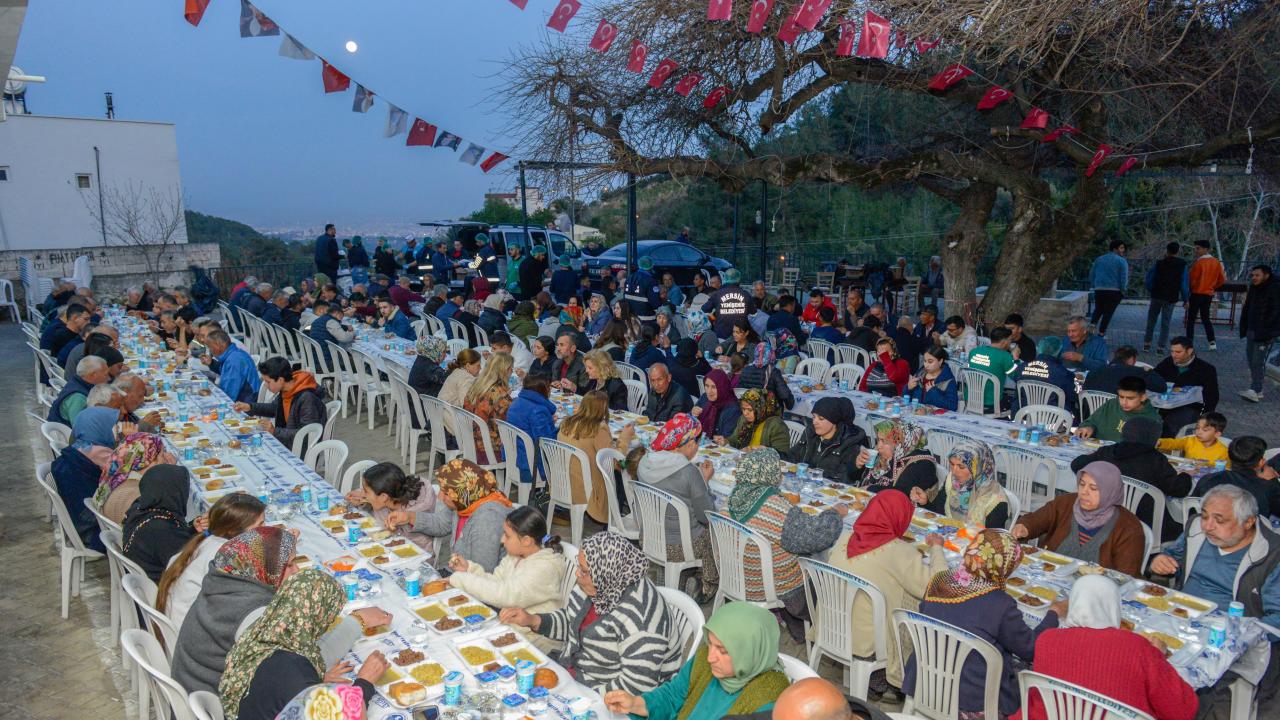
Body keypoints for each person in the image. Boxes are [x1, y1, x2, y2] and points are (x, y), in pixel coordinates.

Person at [499, 531, 683, 695]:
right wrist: (532, 620)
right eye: (579, 568)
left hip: (607, 694)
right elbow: (573, 622)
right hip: (573, 674)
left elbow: (637, 686)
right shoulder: (597, 585)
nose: (578, 575)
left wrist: (577, 695)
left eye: (584, 571)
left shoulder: (642, 618)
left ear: (606, 573)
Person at [1150, 484, 1280, 715]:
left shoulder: (1272, 554)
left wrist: (1241, 636)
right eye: (1205, 516)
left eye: (1219, 520)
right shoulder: (1196, 531)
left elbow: (1276, 618)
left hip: (1228, 633)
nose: (1208, 526)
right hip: (1181, 615)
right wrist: (1162, 560)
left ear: (1248, 522)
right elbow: (1174, 556)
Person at [904, 529, 1061, 719]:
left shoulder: (939, 580)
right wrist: (1053, 615)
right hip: (972, 701)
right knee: (1027, 673)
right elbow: (1030, 649)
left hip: (925, 683)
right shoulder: (1000, 603)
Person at [218, 569, 389, 720]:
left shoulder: (256, 636)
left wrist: (314, 682)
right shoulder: (296, 670)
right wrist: (364, 683)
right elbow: (340, 714)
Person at [1021, 575, 1198, 720]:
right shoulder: (1135, 647)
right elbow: (1182, 710)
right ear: (1114, 607)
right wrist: (1157, 656)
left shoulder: (1047, 639)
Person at [832, 490, 946, 695]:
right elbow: (938, 585)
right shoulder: (900, 551)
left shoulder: (845, 536)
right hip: (870, 642)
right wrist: (937, 549)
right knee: (917, 603)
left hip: (836, 627)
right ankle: (899, 679)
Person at [170, 526, 304, 695]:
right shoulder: (252, 610)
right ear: (266, 567)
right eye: (290, 565)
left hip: (194, 687)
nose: (297, 571)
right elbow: (285, 678)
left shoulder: (222, 580)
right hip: (215, 703)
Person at [604, 602, 789, 720]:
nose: (710, 657)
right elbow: (673, 695)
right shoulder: (705, 659)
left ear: (749, 653)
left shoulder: (770, 699)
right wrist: (636, 703)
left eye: (722, 651)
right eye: (711, 644)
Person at [733, 448, 845, 638]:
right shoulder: (777, 507)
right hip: (773, 585)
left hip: (739, 573)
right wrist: (835, 514)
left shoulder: (736, 496)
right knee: (829, 569)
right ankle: (825, 631)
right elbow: (815, 537)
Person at [447, 506, 567, 652]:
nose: (502, 540)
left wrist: (461, 579)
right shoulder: (514, 556)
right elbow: (496, 583)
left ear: (526, 541)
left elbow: (505, 595)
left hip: (538, 642)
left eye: (507, 535)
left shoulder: (544, 568)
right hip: (513, 630)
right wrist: (469, 570)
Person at [636, 413, 719, 601]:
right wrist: (704, 481)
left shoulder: (645, 462)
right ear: (688, 444)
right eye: (696, 441)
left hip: (650, 537)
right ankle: (705, 586)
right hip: (680, 547)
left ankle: (679, 578)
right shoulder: (689, 473)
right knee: (717, 532)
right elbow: (706, 516)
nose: (697, 446)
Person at [1012, 461, 1145, 575]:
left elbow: (1126, 577)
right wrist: (1024, 526)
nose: (1084, 492)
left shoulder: (1129, 528)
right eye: (1082, 484)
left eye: (1093, 488)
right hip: (1049, 575)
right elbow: (1037, 519)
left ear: (1109, 492)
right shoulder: (1066, 503)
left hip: (1093, 594)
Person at [158, 493, 266, 632]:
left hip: (181, 627)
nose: (266, 530)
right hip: (192, 637)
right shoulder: (225, 556)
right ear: (233, 529)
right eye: (260, 525)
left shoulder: (206, 541)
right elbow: (250, 600)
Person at [1072, 416, 1190, 540]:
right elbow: (1178, 489)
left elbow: (1076, 464)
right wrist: (1186, 475)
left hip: (1104, 514)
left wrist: (1093, 457)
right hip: (1144, 522)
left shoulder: (1109, 452)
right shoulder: (1155, 459)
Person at [409, 458, 513, 572]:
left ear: (462, 493)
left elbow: (482, 571)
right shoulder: (465, 503)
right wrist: (408, 517)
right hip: (460, 575)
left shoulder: (488, 520)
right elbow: (441, 524)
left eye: (446, 493)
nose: (441, 497)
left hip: (478, 582)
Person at [558, 390, 636, 525]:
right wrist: (625, 439)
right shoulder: (598, 429)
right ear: (604, 408)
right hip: (589, 489)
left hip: (566, 482)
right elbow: (616, 463)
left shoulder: (567, 422)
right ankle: (616, 521)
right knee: (624, 470)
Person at [51, 407, 119, 552]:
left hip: (80, 523)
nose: (116, 431)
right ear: (100, 428)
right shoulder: (100, 455)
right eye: (113, 426)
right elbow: (129, 472)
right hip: (97, 532)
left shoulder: (80, 448)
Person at [122, 464, 200, 582]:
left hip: (144, 581)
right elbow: (191, 564)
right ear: (175, 491)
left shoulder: (139, 509)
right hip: (160, 590)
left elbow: (173, 540)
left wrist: (192, 528)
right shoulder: (161, 529)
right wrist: (208, 535)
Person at [233, 357, 327, 450]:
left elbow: (307, 434)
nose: (265, 385)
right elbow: (274, 408)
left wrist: (275, 431)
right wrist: (250, 407)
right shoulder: (287, 389)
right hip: (287, 441)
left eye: (268, 381)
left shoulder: (307, 398)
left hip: (301, 449)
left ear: (281, 380)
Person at [914, 443, 1011, 529]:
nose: (954, 471)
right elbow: (939, 513)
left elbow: (993, 540)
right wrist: (925, 502)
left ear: (979, 468)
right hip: (950, 537)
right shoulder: (952, 482)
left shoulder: (995, 499)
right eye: (952, 464)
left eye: (961, 467)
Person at [343, 462, 436, 546]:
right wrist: (363, 500)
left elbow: (401, 540)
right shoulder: (393, 490)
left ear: (383, 497)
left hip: (416, 553)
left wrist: (392, 530)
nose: (363, 493)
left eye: (366, 491)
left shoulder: (415, 511)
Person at [1190, 435, 1280, 518]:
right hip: (1246, 534)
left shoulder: (1208, 479)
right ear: (1261, 462)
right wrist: (1273, 481)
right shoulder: (1267, 489)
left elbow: (1192, 509)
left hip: (1201, 532)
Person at [95, 432, 173, 524]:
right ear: (148, 461)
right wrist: (170, 477)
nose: (165, 460)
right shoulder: (139, 497)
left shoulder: (113, 481)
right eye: (162, 455)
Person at [788, 396, 864, 484]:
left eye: (821, 419)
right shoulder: (810, 434)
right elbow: (792, 457)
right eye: (813, 417)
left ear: (834, 422)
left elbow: (843, 479)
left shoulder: (849, 443)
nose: (814, 422)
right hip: (805, 485)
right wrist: (773, 453)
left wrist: (811, 474)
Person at [852, 418, 937, 495]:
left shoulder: (920, 465)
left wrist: (869, 489)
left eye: (884, 441)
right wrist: (857, 465)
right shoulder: (880, 454)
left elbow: (900, 493)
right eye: (878, 440)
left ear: (900, 443)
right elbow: (851, 477)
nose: (878, 446)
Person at [1154, 336, 1220, 432]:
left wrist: (1205, 417)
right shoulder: (1168, 362)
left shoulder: (1206, 369)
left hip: (1190, 408)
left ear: (1189, 351)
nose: (1173, 355)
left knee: (1174, 425)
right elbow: (1155, 377)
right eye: (1172, 351)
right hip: (1164, 406)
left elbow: (1212, 396)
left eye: (1178, 352)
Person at [461, 352, 514, 465]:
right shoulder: (500, 394)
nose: (512, 372)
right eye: (511, 369)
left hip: (471, 442)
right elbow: (511, 422)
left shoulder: (477, 385)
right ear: (505, 370)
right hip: (491, 449)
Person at [505, 374, 558, 486]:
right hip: (532, 465)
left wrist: (548, 421)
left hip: (516, 458)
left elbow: (529, 426)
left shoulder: (516, 402)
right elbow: (548, 443)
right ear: (543, 389)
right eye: (549, 387)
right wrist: (562, 429)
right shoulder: (538, 410)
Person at [1076, 375, 1160, 442]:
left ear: (1143, 397)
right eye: (1121, 397)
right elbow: (1090, 422)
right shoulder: (1112, 404)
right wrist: (1088, 428)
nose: (1124, 402)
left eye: (1130, 398)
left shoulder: (1152, 419)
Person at [1240, 263, 1280, 402]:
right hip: (1252, 329)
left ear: (1266, 275)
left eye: (1257, 275)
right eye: (1253, 275)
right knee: (1251, 358)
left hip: (1266, 332)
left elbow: (1276, 312)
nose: (1254, 278)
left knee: (1258, 360)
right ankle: (1258, 388)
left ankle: (1255, 389)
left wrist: (1268, 328)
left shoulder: (1275, 288)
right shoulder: (1254, 288)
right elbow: (1248, 307)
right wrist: (1244, 326)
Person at [1144, 241, 1188, 353]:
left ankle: (1147, 344)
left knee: (1151, 320)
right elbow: (1183, 284)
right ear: (1177, 251)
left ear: (1166, 251)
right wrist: (1185, 299)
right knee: (1166, 322)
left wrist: (1151, 290)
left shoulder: (1159, 263)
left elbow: (1150, 278)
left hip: (1157, 295)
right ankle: (1161, 347)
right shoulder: (1182, 264)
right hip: (1171, 296)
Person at [47, 354, 112, 426]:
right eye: (105, 375)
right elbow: (80, 429)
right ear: (94, 375)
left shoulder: (77, 381)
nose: (109, 378)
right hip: (66, 434)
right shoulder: (79, 398)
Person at [1187, 238, 1227, 350]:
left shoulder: (1198, 263)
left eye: (1198, 248)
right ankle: (1212, 342)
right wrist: (1213, 287)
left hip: (1196, 293)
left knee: (1191, 319)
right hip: (1208, 294)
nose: (1196, 250)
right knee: (1206, 318)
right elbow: (1222, 279)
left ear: (1205, 249)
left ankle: (1189, 342)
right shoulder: (1216, 262)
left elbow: (1192, 279)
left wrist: (1191, 289)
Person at [966, 326, 1018, 411]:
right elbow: (1016, 376)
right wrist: (1015, 358)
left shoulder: (974, 351)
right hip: (991, 403)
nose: (1010, 343)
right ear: (1004, 341)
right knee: (1015, 400)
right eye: (1010, 340)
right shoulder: (1005, 356)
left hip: (970, 399)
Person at [204, 329, 261, 404]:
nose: (209, 350)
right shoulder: (234, 353)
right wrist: (211, 363)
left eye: (210, 347)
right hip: (244, 398)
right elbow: (225, 371)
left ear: (218, 345)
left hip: (245, 403)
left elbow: (228, 395)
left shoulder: (234, 360)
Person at [727, 389, 790, 455]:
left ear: (761, 408)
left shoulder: (776, 425)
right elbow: (734, 440)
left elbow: (784, 455)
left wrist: (765, 450)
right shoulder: (744, 419)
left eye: (750, 410)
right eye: (743, 409)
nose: (745, 413)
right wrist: (726, 441)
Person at [1081, 345, 1164, 394]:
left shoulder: (1094, 371)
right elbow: (1161, 387)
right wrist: (1150, 371)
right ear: (1132, 359)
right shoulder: (1136, 372)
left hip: (1093, 414)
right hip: (1121, 417)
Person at [1157, 411, 1229, 466]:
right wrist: (1160, 442)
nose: (1199, 432)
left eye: (1205, 430)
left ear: (1217, 434)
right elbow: (1174, 443)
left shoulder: (1224, 452)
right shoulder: (1190, 440)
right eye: (1197, 428)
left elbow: (1226, 472)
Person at [702, 268, 755, 341]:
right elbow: (754, 314)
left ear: (725, 279)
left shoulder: (717, 294)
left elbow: (705, 309)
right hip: (740, 336)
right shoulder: (746, 294)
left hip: (721, 336)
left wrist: (716, 314)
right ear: (739, 279)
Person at [1089, 239, 1128, 336]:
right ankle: (1101, 333)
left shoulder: (1099, 259)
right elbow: (1123, 278)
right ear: (1115, 249)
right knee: (1108, 312)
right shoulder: (1122, 261)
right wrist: (1123, 290)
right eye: (1121, 248)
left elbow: (1092, 274)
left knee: (1098, 309)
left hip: (1099, 289)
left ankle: (1091, 329)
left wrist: (1094, 285)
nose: (1123, 250)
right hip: (1114, 291)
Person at [905, 345, 958, 410]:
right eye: (925, 361)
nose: (926, 365)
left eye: (930, 362)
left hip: (936, 418)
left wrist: (934, 392)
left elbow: (952, 407)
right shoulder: (919, 375)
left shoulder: (948, 381)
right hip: (917, 415)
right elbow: (906, 401)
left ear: (940, 361)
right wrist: (908, 388)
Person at [693, 368, 740, 440]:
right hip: (699, 443)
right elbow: (688, 425)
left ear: (722, 387)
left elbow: (727, 438)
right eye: (707, 386)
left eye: (713, 387)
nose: (709, 391)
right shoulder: (705, 398)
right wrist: (693, 416)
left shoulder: (733, 409)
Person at [408, 335, 450, 399]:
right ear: (435, 352)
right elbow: (447, 379)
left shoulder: (421, 358)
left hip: (413, 399)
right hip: (422, 404)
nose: (445, 355)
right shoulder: (431, 367)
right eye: (443, 352)